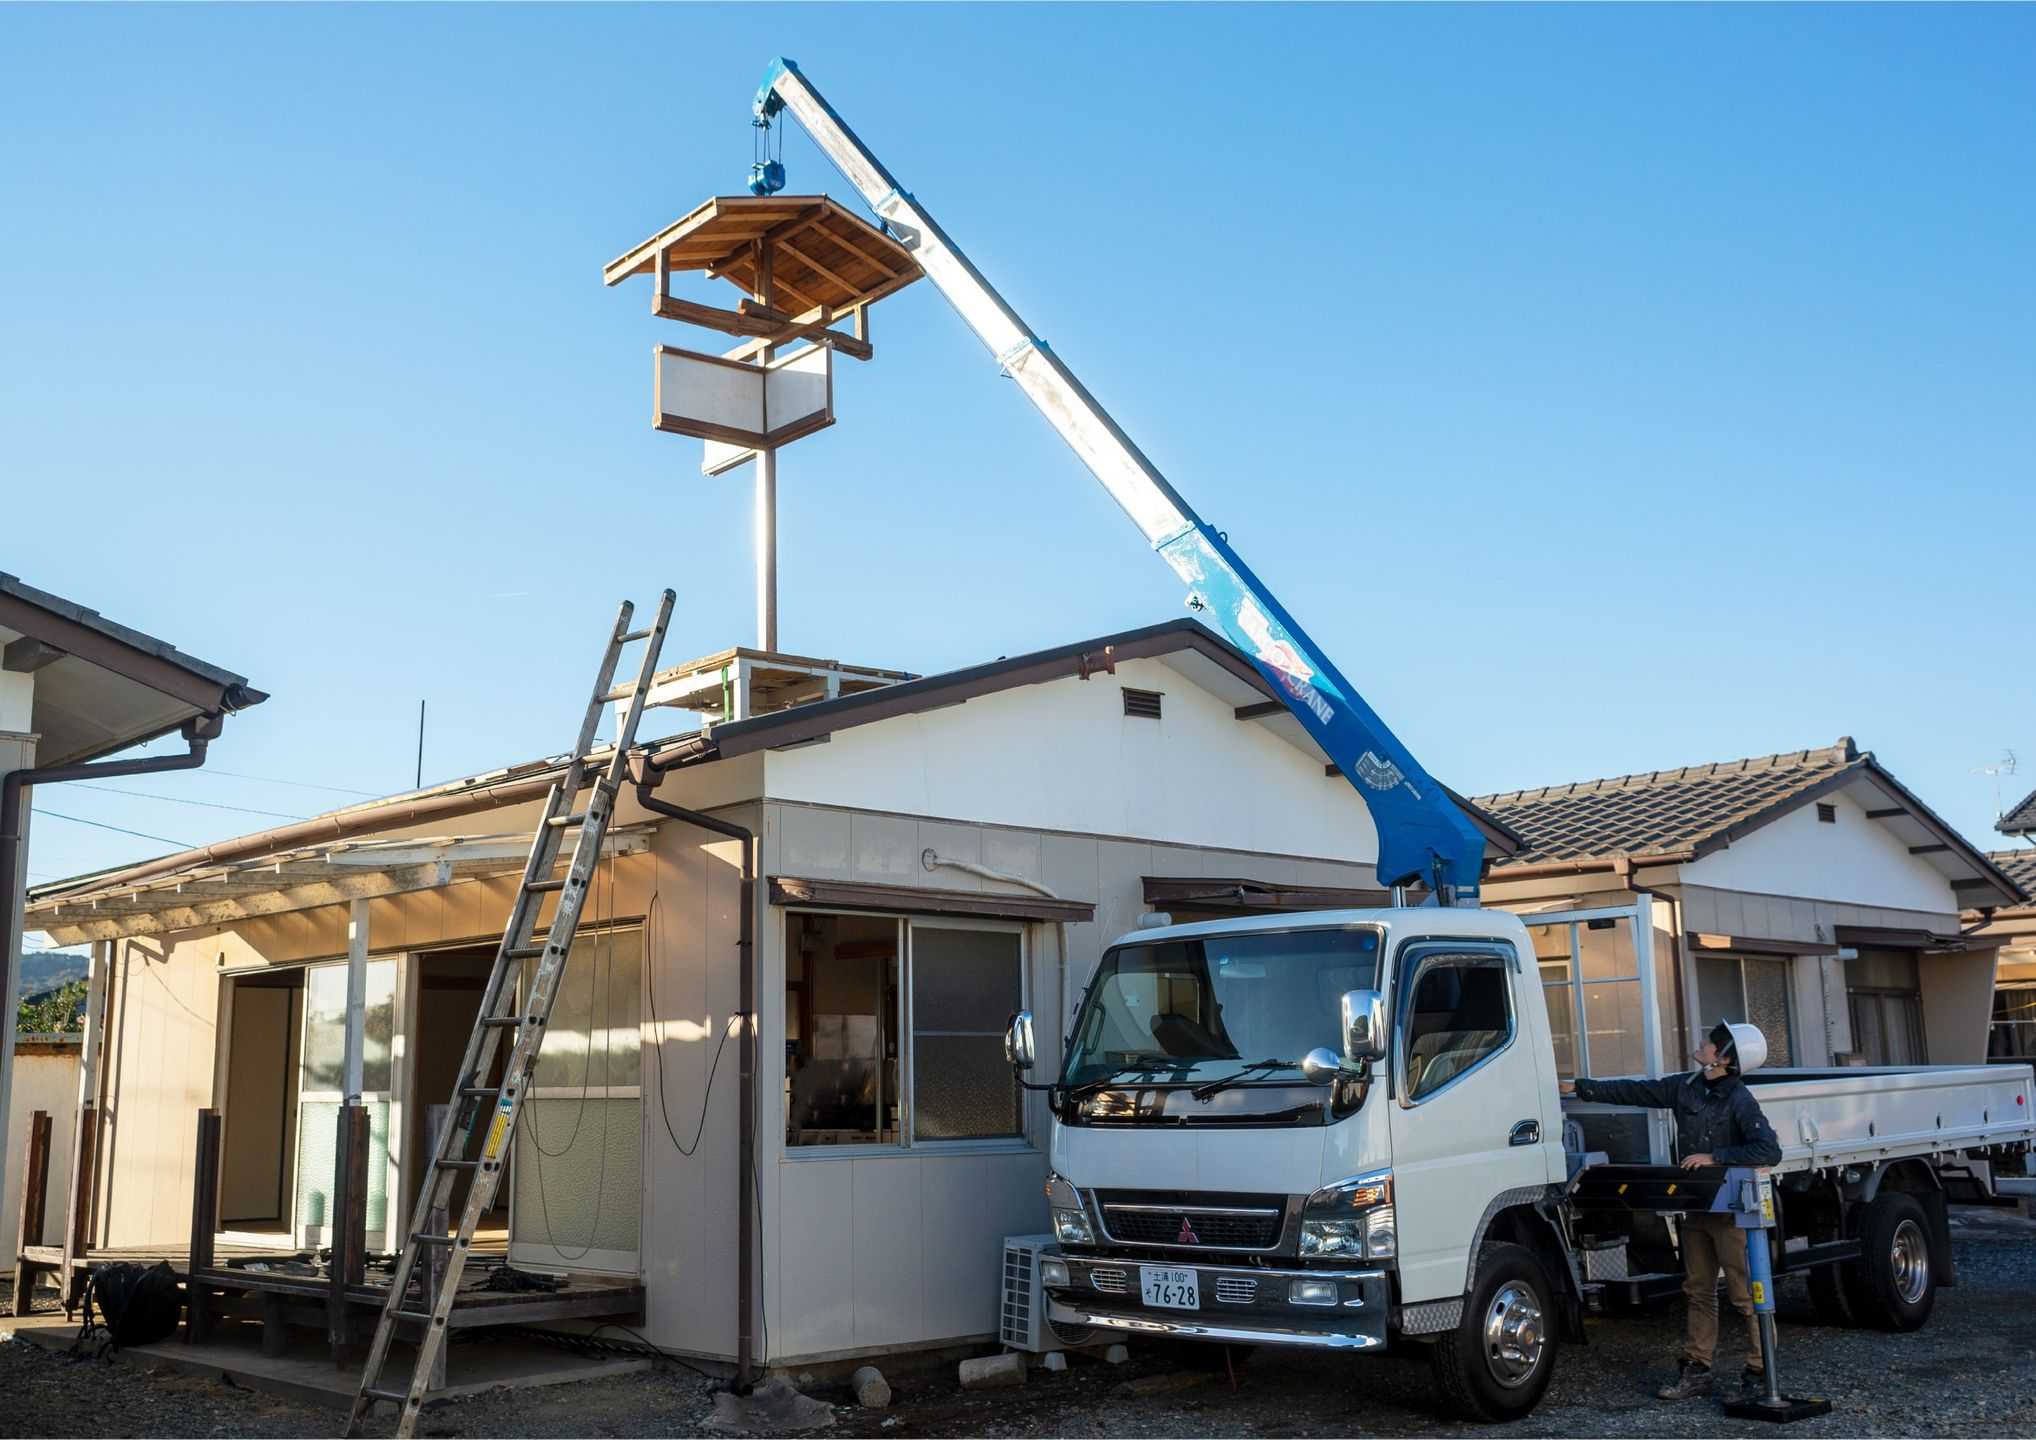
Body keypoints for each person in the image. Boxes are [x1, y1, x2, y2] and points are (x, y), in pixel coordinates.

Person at [1560, 1021, 1783, 1401]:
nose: (1700, 1044)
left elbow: (1769, 1150)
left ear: (1724, 1058)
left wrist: (1715, 1157)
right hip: (1697, 1207)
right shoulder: (1686, 1086)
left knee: (1746, 1294)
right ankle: (1697, 1370)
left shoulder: (1739, 1099)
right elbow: (1637, 1091)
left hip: (1730, 1210)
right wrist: (1580, 1087)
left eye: (1708, 1043)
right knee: (1698, 1290)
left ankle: (1762, 1373)